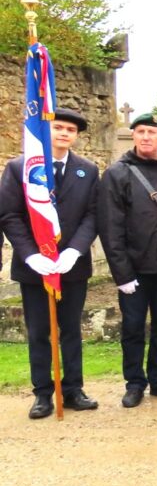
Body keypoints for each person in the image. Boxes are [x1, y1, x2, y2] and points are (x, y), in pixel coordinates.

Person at [0, 108, 99, 419]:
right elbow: (10, 215)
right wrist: (31, 254)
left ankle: (73, 390)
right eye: (58, 127)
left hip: (72, 267)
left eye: (71, 129)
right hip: (35, 268)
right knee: (39, 331)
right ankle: (43, 393)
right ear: (46, 130)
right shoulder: (20, 168)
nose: (64, 133)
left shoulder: (87, 170)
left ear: (77, 136)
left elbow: (92, 215)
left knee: (70, 329)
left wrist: (75, 251)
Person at [98, 112, 157, 408]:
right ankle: (134, 382)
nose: (146, 136)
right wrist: (122, 274)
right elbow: (110, 227)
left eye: (152, 132)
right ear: (134, 135)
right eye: (141, 131)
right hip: (133, 269)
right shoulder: (117, 173)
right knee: (133, 327)